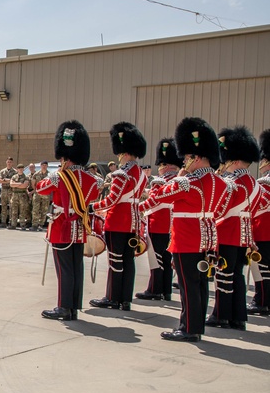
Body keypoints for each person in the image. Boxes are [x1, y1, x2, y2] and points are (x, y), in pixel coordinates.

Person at [140, 117, 231, 342]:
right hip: (207, 238)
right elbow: (220, 211)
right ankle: (196, 325)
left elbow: (158, 197)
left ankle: (188, 328)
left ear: (197, 158)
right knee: (200, 284)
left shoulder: (187, 182)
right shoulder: (221, 183)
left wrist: (178, 177)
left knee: (187, 285)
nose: (185, 161)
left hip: (186, 238)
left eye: (188, 157)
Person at [38, 121, 100, 321]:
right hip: (80, 227)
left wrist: (55, 175)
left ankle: (64, 307)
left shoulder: (60, 177)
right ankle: (74, 306)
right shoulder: (92, 180)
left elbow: (40, 188)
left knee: (64, 269)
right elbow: (91, 199)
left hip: (62, 226)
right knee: (75, 267)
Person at [89, 122, 148, 312]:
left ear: (123, 152)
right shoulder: (140, 173)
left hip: (117, 222)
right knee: (128, 262)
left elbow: (111, 200)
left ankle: (113, 297)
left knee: (115, 262)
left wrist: (92, 207)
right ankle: (125, 300)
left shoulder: (121, 174)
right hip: (133, 222)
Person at [206, 126, 260, 331]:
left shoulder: (230, 183)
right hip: (244, 235)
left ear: (235, 161)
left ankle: (221, 315)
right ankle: (238, 317)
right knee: (237, 276)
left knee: (223, 276)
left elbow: (218, 210)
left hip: (227, 233)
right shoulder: (255, 184)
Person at [136, 138, 182, 301]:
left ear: (166, 165)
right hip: (172, 226)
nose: (160, 168)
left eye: (162, 165)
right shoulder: (179, 180)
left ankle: (155, 289)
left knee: (155, 259)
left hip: (157, 225)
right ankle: (166, 290)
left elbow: (153, 201)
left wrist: (136, 209)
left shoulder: (159, 181)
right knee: (167, 259)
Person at [248, 130, 270, 316]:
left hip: (263, 230)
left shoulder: (263, 183)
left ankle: (262, 300)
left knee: (261, 268)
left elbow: (255, 206)